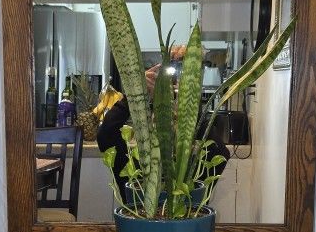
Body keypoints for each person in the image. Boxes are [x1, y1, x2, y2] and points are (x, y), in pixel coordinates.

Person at [97, 51, 229, 202]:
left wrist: (188, 102)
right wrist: (134, 95)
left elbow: (220, 151)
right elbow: (105, 135)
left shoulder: (191, 167)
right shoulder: (134, 164)